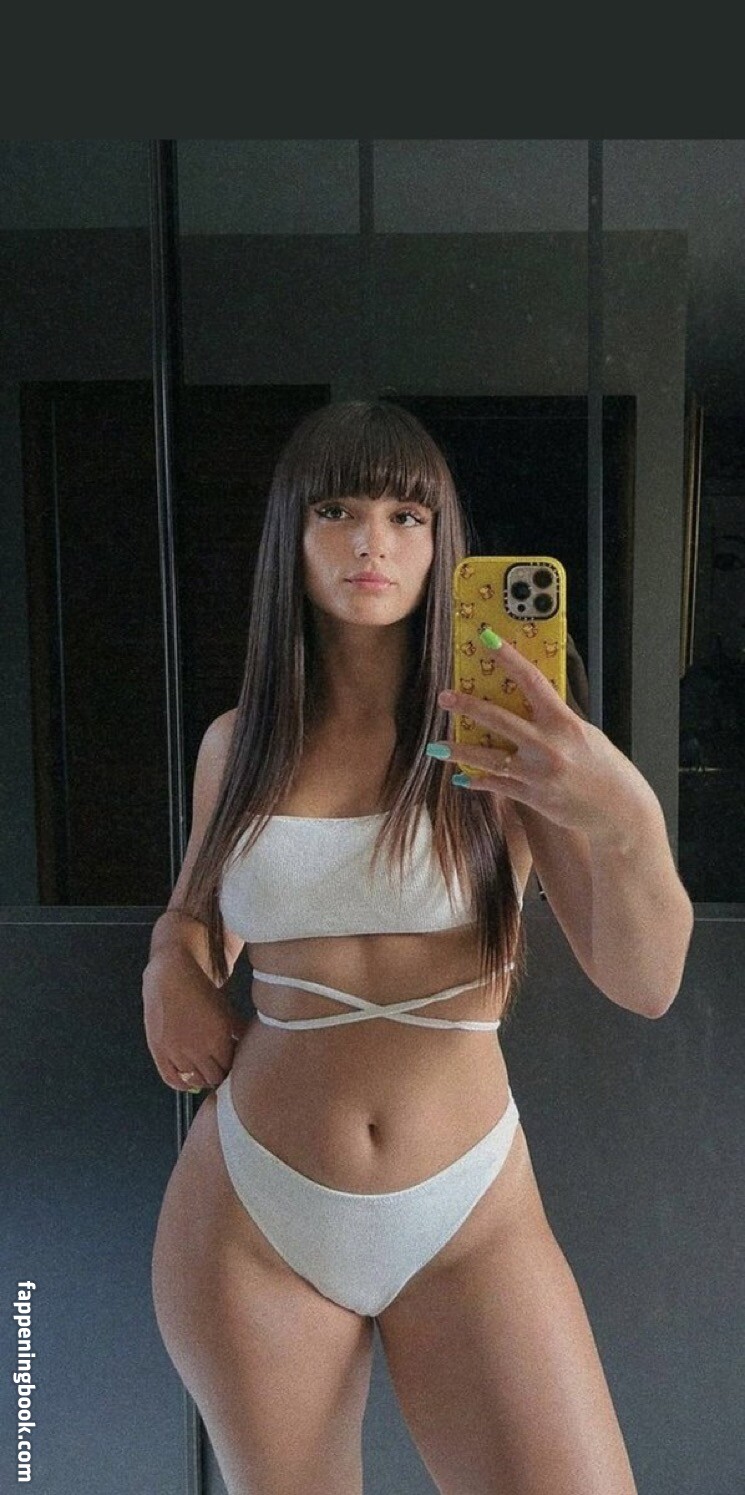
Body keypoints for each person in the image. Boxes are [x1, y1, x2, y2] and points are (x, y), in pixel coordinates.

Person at [143, 400, 693, 1495]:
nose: (372, 543)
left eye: (406, 516)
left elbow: (647, 982)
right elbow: (199, 912)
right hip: (253, 1214)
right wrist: (169, 963)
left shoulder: (510, 742)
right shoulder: (238, 746)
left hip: (468, 1215)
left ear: (444, 543)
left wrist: (623, 814)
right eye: (337, 511)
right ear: (290, 537)